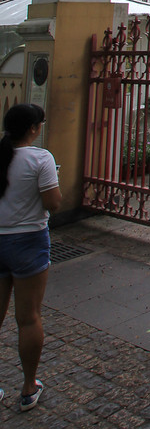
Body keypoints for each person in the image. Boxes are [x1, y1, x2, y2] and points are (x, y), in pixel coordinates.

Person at [0, 103, 61, 411]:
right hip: (28, 241)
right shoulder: (40, 159)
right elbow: (53, 202)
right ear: (34, 129)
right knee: (28, 317)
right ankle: (27, 386)